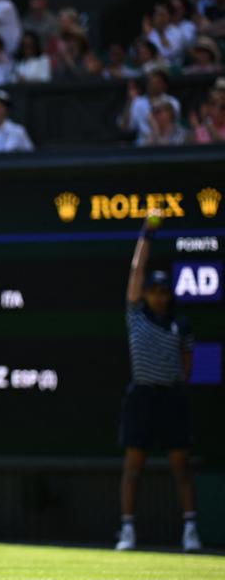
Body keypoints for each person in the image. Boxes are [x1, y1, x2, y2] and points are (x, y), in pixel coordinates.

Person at [116, 213, 201, 553]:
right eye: (153, 291)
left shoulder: (182, 325)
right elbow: (137, 270)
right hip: (141, 399)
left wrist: (176, 385)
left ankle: (190, 530)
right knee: (133, 468)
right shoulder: (136, 315)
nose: (158, 296)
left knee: (182, 468)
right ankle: (127, 530)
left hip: (171, 399)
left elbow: (188, 365)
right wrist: (146, 235)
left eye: (164, 291)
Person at [118, 69, 180, 146]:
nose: (153, 85)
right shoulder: (138, 102)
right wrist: (130, 101)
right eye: (151, 82)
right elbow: (124, 126)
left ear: (164, 85)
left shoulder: (172, 102)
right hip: (143, 145)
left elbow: (174, 127)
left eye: (157, 82)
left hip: (168, 143)